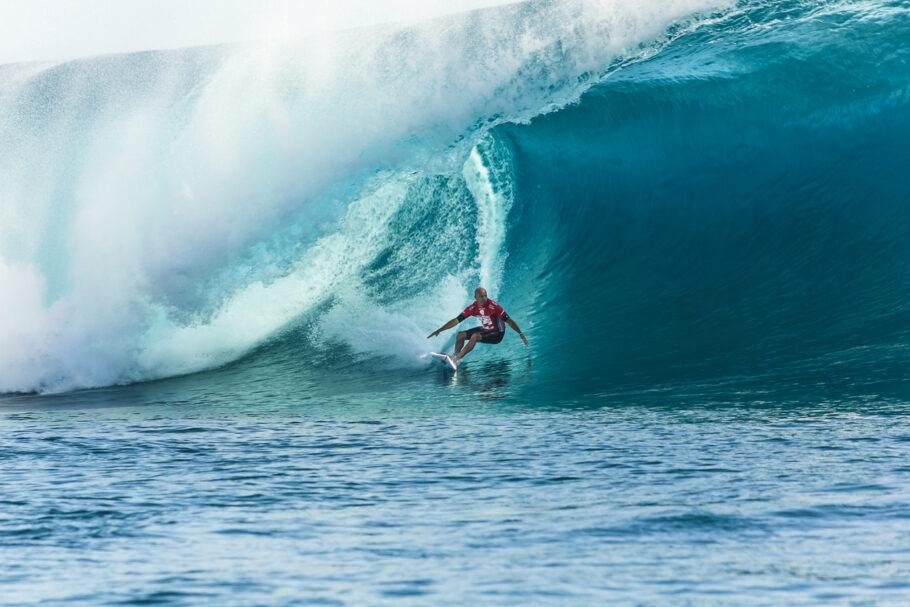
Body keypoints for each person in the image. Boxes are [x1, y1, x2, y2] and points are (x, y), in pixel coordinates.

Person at [427, 287, 529, 364]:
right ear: (475, 298)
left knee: (474, 336)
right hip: (486, 329)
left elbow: (509, 320)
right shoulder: (473, 308)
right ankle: (455, 356)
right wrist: (439, 330)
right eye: (481, 296)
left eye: (485, 295)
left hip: (498, 334)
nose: (484, 298)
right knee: (460, 335)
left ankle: (455, 360)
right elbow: (456, 320)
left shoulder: (494, 306)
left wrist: (520, 333)